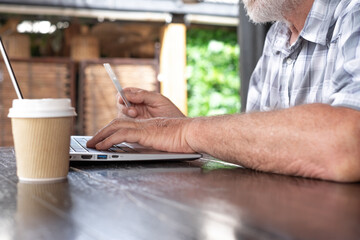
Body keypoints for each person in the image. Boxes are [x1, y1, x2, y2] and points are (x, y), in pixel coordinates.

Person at [87, 0, 360, 182]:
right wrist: (178, 128)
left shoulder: (354, 13)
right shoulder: (278, 35)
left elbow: (348, 144)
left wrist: (185, 132)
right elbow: (255, 149)